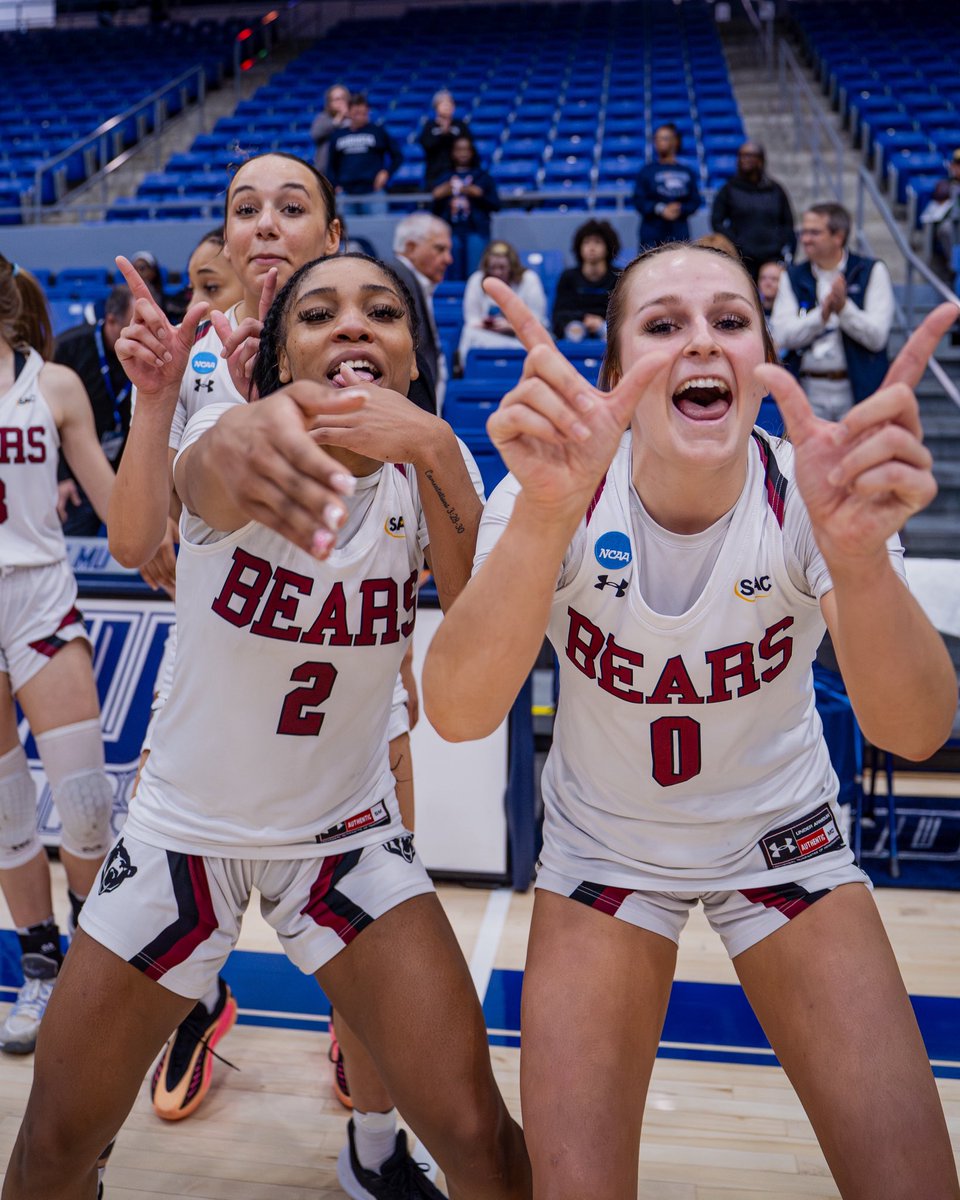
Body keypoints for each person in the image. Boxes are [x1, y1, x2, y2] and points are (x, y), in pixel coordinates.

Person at [421, 241, 960, 1200]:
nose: (701, 343)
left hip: (783, 844)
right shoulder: (553, 493)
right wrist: (544, 517)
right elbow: (458, 714)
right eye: (664, 326)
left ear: (763, 357)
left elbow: (916, 730)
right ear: (618, 375)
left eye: (730, 320)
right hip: (607, 854)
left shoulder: (809, 488)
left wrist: (865, 561)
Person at [3, 251, 532, 1200]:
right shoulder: (231, 434)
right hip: (183, 839)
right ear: (282, 359)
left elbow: (474, 639)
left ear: (413, 357)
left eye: (382, 311)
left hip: (346, 837)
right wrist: (229, 437)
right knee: (54, 1147)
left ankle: (372, 1148)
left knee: (481, 1138)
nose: (355, 325)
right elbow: (207, 472)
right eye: (320, 313)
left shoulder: (430, 481)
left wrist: (443, 449)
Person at [0, 254, 116, 1057]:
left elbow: (116, 503)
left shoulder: (54, 384)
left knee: (84, 800)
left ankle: (99, 964)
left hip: (40, 591)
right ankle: (41, 967)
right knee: (5, 813)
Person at [770, 202, 895, 423]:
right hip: (807, 388)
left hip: (857, 389)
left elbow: (877, 338)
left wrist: (844, 309)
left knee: (858, 457)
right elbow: (781, 336)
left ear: (838, 236)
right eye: (803, 232)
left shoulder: (870, 271)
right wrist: (822, 315)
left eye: (814, 232)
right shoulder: (794, 275)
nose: (805, 238)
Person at [53, 286, 135, 536]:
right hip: (75, 480)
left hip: (123, 474)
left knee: (132, 549)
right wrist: (61, 476)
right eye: (135, 324)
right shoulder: (69, 347)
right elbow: (45, 417)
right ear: (111, 320)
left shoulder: (147, 351)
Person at [391, 212, 453, 411]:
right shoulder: (398, 277)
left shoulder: (410, 278)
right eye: (440, 249)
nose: (449, 259)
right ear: (410, 248)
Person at [711, 141, 796, 278]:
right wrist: (736, 242)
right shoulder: (729, 189)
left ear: (760, 160)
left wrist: (780, 243)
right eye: (741, 156)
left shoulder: (775, 189)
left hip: (772, 255)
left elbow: (788, 223)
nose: (744, 160)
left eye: (749, 155)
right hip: (742, 257)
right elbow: (717, 221)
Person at [458, 240, 546, 363]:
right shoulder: (476, 279)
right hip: (487, 336)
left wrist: (511, 326)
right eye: (493, 268)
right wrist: (489, 325)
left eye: (502, 268)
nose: (497, 272)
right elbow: (472, 320)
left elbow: (537, 319)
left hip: (520, 337)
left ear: (512, 267)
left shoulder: (529, 279)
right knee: (468, 333)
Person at [431, 135, 500, 282]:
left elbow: (495, 204)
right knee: (450, 272)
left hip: (477, 230)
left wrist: (477, 194)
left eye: (466, 149)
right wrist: (442, 193)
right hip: (450, 231)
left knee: (475, 274)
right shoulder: (444, 178)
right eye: (458, 149)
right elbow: (434, 208)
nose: (463, 153)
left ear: (472, 152)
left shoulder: (482, 177)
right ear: (452, 153)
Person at [328, 92, 404, 216]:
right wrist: (335, 185)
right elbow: (331, 164)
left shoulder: (377, 131)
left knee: (378, 232)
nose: (360, 117)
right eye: (357, 113)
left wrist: (386, 172)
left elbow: (398, 156)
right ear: (349, 112)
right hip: (346, 194)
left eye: (364, 113)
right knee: (345, 234)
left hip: (373, 193)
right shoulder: (338, 135)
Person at [632, 122, 702, 249]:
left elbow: (695, 200)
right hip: (652, 235)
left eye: (664, 138)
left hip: (679, 233)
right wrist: (660, 209)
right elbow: (639, 200)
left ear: (675, 141)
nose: (659, 142)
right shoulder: (646, 171)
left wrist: (681, 208)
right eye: (657, 139)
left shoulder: (687, 171)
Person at [551, 218, 621, 341]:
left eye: (597, 242)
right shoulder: (568, 277)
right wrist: (583, 319)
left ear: (608, 247)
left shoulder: (619, 277)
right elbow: (559, 314)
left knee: (611, 333)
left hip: (608, 325)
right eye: (587, 242)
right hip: (576, 325)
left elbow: (624, 312)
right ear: (579, 247)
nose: (591, 247)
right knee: (574, 332)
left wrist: (600, 322)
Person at [418, 90, 470, 191]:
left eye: (450, 103)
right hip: (434, 174)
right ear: (436, 107)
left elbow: (469, 146)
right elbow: (426, 145)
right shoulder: (429, 126)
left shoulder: (460, 125)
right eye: (443, 104)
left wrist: (449, 133)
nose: (447, 107)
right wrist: (442, 133)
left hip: (458, 173)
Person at [311, 82, 351, 176]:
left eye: (343, 98)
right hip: (326, 171)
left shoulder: (355, 119)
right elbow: (316, 134)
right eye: (336, 99)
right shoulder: (322, 118)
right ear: (329, 103)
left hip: (348, 172)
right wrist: (338, 119)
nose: (340, 102)